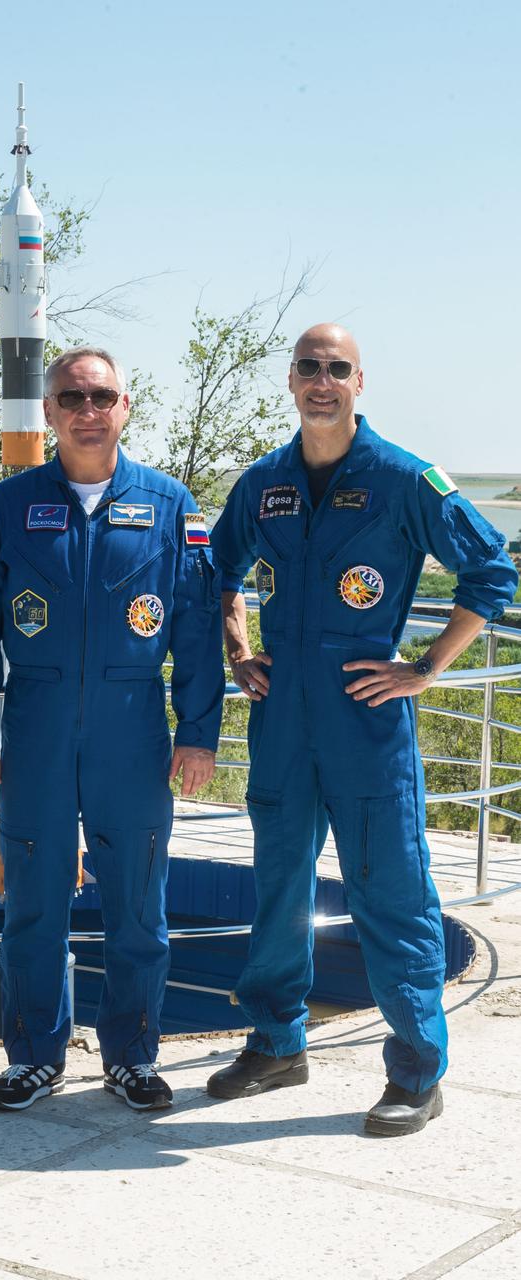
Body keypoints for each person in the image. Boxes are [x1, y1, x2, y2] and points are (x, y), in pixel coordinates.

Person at [206, 323, 518, 1135]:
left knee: (391, 892)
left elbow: (490, 571)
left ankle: (415, 1071)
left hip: (366, 720)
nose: (321, 380)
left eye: (335, 368)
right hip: (282, 720)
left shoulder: (405, 478)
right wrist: (239, 650)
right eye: (308, 367)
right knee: (278, 887)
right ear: (290, 380)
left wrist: (427, 666)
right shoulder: (263, 483)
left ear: (357, 382)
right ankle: (276, 1044)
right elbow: (217, 570)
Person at [0, 346, 224, 1111]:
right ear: (49, 411)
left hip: (132, 731)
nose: (87, 410)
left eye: (101, 396)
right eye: (71, 398)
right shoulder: (10, 505)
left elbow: (197, 628)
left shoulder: (169, 505)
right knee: (33, 905)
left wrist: (197, 731)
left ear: (125, 406)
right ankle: (34, 1058)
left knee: (137, 907)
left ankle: (131, 1057)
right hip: (32, 729)